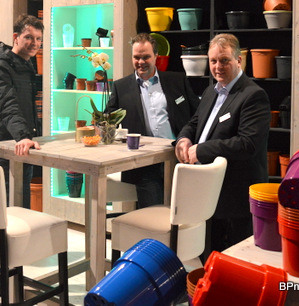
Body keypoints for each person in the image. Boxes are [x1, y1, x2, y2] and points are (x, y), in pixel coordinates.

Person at [175, 33, 270, 254]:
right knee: (209, 253)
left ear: (239, 60)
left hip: (235, 196)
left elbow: (247, 144)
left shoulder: (254, 95)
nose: (218, 66)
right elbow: (195, 122)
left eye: (224, 60)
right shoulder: (212, 90)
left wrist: (202, 150)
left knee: (236, 259)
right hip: (207, 190)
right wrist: (184, 138)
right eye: (213, 61)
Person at [0, 14, 43, 296]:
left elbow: (25, 105)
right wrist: (22, 135)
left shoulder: (25, 63)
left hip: (23, 145)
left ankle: (14, 272)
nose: (34, 43)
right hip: (7, 147)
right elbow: (7, 103)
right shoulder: (0, 66)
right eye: (29, 37)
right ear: (16, 37)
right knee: (6, 215)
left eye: (39, 39)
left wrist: (30, 135)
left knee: (20, 210)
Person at [106, 33, 199, 208]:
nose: (141, 62)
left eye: (146, 57)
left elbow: (198, 114)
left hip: (179, 157)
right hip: (145, 165)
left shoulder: (177, 80)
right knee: (153, 213)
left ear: (156, 56)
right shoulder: (121, 87)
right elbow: (107, 121)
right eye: (136, 57)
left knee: (184, 209)